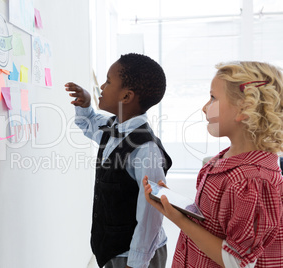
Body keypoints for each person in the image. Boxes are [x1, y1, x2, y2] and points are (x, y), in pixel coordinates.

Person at [143, 61, 283, 267]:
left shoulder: (254, 181)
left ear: (245, 108)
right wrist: (179, 208)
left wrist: (179, 220)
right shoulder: (226, 158)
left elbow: (237, 261)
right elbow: (216, 219)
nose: (204, 107)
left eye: (213, 98)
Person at [65, 53, 172, 268]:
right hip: (114, 252)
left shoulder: (145, 149)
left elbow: (151, 214)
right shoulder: (113, 128)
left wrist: (136, 262)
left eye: (108, 81)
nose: (102, 87)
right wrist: (85, 104)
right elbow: (89, 123)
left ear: (126, 97)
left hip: (136, 255)